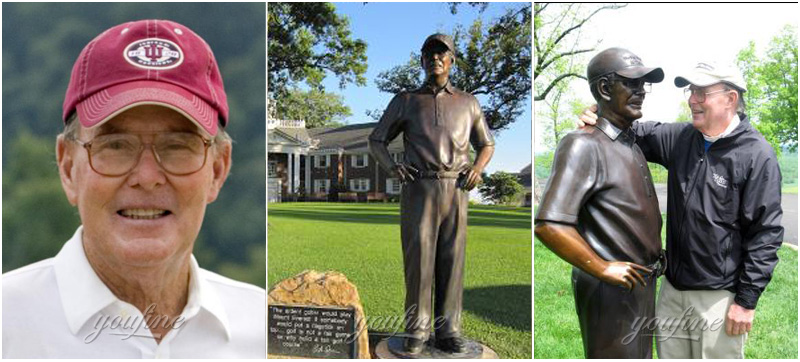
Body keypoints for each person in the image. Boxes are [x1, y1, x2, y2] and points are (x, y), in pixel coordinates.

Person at [2, 19, 265, 358]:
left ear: (218, 169)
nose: (147, 176)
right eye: (115, 145)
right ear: (68, 168)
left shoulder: (268, 330)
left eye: (177, 146)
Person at [578, 61, 784, 358]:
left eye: (702, 92)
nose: (692, 99)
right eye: (691, 91)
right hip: (672, 291)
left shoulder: (756, 154)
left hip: (719, 299)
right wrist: (597, 111)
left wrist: (746, 301)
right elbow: (627, 127)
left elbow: (766, 234)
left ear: (731, 99)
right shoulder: (681, 138)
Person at [535, 47, 666, 358]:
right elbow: (549, 224)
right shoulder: (582, 145)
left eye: (643, 85)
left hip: (639, 284)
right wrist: (603, 268)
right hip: (610, 291)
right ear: (605, 89)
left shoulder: (630, 142)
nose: (641, 92)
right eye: (632, 84)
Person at [368, 33, 494, 355]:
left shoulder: (469, 102)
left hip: (456, 188)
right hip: (419, 188)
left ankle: (449, 329)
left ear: (452, 60)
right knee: (419, 261)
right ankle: (417, 330)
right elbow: (376, 140)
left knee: (452, 260)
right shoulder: (406, 100)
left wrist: (477, 168)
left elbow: (487, 143)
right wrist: (393, 169)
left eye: (442, 53)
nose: (436, 58)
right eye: (429, 54)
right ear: (421, 60)